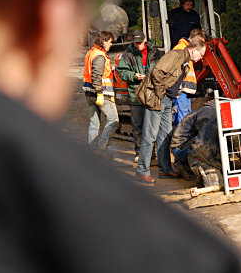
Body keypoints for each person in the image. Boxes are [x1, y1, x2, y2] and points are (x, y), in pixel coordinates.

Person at [0, 0, 241, 273]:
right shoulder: (175, 255)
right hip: (134, 100)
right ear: (50, 14)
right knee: (131, 131)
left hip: (148, 99)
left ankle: (154, 164)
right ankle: (126, 160)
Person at [135, 36, 207, 183]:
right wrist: (161, 93)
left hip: (167, 99)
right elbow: (157, 73)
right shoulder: (177, 55)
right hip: (158, 98)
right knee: (150, 136)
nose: (201, 58)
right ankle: (142, 171)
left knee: (166, 134)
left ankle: (165, 169)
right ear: (193, 50)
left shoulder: (186, 60)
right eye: (201, 54)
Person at [117, 30, 163, 162]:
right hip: (136, 95)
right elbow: (121, 71)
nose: (138, 45)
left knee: (153, 125)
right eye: (136, 43)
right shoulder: (128, 54)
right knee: (138, 125)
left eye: (140, 43)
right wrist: (133, 76)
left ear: (145, 40)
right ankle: (140, 153)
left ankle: (153, 152)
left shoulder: (155, 52)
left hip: (152, 94)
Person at [83, 31, 119, 156]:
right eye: (110, 42)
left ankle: (92, 153)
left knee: (94, 123)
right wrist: (99, 92)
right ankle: (101, 149)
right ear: (104, 41)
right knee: (113, 120)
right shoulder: (99, 56)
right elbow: (96, 76)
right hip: (102, 94)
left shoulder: (90, 53)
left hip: (89, 94)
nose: (111, 45)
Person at [171, 28, 205, 127]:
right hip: (180, 91)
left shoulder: (186, 49)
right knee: (182, 121)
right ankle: (181, 141)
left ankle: (183, 139)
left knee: (186, 118)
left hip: (185, 91)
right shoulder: (181, 48)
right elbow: (174, 70)